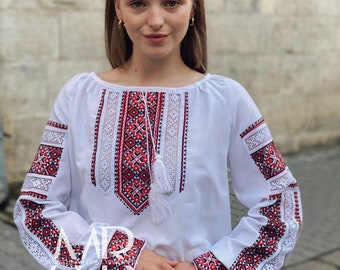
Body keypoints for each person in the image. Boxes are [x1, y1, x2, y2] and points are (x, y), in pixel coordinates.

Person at [14, 0, 303, 269]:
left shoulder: (226, 99)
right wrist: (121, 254)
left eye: (172, 2)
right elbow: (36, 207)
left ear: (192, 9)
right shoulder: (79, 96)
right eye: (138, 3)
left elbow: (280, 201)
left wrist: (211, 265)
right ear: (118, 10)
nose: (155, 20)